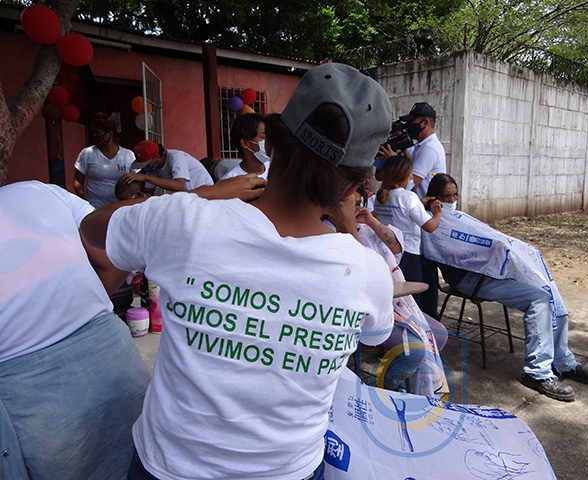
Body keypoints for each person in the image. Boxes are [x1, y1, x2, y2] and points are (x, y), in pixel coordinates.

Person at [81, 62, 394, 480]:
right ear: (354, 186)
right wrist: (349, 226)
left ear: (271, 145)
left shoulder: (187, 219)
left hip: (169, 467)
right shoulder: (366, 271)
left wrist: (206, 194)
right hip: (288, 472)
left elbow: (92, 228)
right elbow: (375, 337)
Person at [0, 180, 150, 479]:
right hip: (112, 355)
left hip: (30, 396)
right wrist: (83, 303)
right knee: (139, 456)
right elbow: (115, 255)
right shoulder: (41, 191)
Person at [421, 173, 588, 402]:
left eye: (455, 195)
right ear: (435, 197)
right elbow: (454, 252)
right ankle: (537, 372)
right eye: (447, 196)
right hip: (470, 280)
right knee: (539, 299)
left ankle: (563, 362)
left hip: (491, 273)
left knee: (549, 292)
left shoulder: (457, 217)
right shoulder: (432, 221)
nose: (452, 200)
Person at [325, 187, 448, 396]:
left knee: (439, 334)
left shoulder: (365, 228)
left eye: (359, 203)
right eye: (351, 204)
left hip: (392, 305)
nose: (357, 208)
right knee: (413, 352)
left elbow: (395, 247)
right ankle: (383, 393)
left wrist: (371, 221)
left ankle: (411, 389)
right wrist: (347, 228)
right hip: (356, 314)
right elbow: (364, 276)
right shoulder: (328, 235)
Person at [374, 155, 442, 300]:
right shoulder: (409, 197)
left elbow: (399, 212)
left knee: (392, 299)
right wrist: (437, 213)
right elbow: (430, 227)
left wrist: (419, 203)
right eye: (410, 173)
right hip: (408, 255)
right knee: (411, 300)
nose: (412, 177)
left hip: (386, 254)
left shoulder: (380, 197)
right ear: (404, 175)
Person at [73, 112, 136, 208]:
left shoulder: (128, 155)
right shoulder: (87, 153)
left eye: (98, 133)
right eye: (93, 134)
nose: (95, 136)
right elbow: (78, 181)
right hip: (95, 207)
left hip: (120, 207)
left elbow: (137, 180)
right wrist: (85, 201)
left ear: (109, 134)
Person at [122, 140, 214, 192]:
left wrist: (145, 178)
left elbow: (179, 185)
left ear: (157, 157)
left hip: (204, 193)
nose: (146, 167)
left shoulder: (176, 157)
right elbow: (148, 190)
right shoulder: (154, 167)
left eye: (147, 163)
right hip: (189, 196)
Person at [399, 101, 446, 198]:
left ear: (425, 123)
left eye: (412, 123)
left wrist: (392, 162)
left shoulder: (429, 148)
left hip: (424, 206)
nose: (409, 127)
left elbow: (409, 185)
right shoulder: (423, 145)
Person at [221, 113, 271, 180]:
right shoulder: (231, 181)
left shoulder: (276, 170)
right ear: (245, 143)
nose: (270, 142)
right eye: (263, 137)